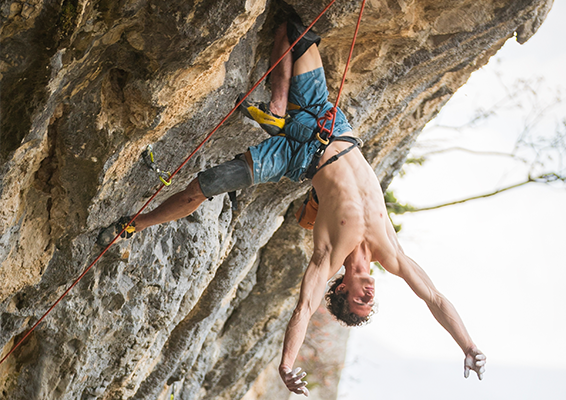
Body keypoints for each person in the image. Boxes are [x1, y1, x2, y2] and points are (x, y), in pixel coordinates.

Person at [97, 14, 486, 396]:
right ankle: (278, 108)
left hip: (295, 157)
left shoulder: (328, 256)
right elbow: (434, 299)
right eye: (370, 302)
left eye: (359, 301)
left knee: (206, 185)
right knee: (295, 30)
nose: (368, 296)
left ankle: (138, 223)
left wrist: (286, 364)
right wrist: (468, 345)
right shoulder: (390, 250)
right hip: (328, 123)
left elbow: (302, 309)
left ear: (340, 289)